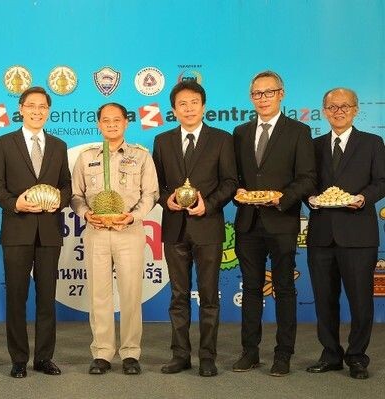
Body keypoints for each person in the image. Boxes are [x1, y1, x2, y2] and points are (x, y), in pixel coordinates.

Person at [232, 70, 316, 377]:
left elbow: (308, 178)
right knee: (252, 288)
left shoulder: (298, 131)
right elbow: (235, 178)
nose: (263, 99)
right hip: (248, 222)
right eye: (257, 94)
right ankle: (250, 352)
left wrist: (282, 198)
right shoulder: (240, 132)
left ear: (281, 94)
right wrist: (236, 192)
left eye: (269, 92)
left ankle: (283, 355)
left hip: (281, 220)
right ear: (251, 97)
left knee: (284, 289)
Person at [152, 81, 237, 377]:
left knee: (210, 295)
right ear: (174, 110)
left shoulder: (222, 140)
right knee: (178, 295)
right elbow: (156, 186)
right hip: (174, 229)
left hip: (208, 227)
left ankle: (208, 356)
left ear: (203, 106)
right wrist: (168, 200)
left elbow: (230, 182)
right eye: (182, 104)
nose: (188, 108)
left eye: (194, 102)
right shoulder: (162, 141)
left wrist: (209, 205)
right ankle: (180, 355)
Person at [0, 86, 71, 378]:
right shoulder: (3, 144)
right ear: (21, 109)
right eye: (31, 105)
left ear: (48, 111)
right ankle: (19, 359)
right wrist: (16, 204)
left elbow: (67, 186)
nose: (37, 111)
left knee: (47, 298)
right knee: (17, 298)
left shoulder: (59, 146)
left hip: (49, 233)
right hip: (17, 231)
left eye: (43, 107)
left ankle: (44, 358)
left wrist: (59, 199)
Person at [71, 102, 159, 375]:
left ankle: (131, 353)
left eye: (117, 120)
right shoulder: (86, 157)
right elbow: (76, 196)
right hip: (97, 231)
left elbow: (151, 195)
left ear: (126, 123)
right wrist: (86, 214)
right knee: (99, 294)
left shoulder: (141, 156)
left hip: (129, 231)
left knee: (131, 293)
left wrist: (133, 217)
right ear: (98, 124)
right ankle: (102, 352)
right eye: (106, 120)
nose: (111, 124)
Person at [306, 88, 385, 380]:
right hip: (322, 235)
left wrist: (363, 198)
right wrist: (311, 199)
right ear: (324, 111)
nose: (338, 111)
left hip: (358, 235)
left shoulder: (373, 143)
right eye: (332, 107)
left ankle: (357, 357)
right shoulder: (312, 146)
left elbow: (382, 180)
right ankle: (330, 355)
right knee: (325, 300)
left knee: (360, 301)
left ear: (355, 110)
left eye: (345, 106)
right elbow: (307, 182)